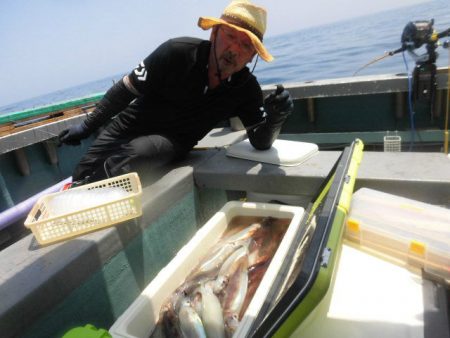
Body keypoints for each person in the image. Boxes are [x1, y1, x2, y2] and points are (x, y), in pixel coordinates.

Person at [58, 0, 294, 184]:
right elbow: (125, 90)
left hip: (173, 141)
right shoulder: (176, 52)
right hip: (128, 126)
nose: (234, 49)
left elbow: (260, 142)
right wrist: (86, 127)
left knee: (133, 156)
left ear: (253, 56)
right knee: (81, 174)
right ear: (214, 34)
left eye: (246, 45)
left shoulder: (246, 88)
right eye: (230, 36)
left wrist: (275, 119)